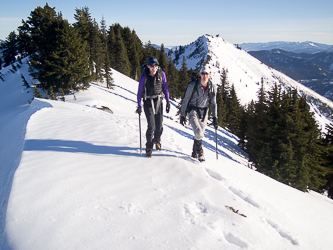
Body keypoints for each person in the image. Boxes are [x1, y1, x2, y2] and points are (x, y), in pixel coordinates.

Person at [180, 66, 218, 162]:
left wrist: (215, 117)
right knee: (199, 133)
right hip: (193, 110)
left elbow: (213, 103)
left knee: (199, 135)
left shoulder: (212, 87)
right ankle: (200, 152)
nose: (205, 76)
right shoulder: (193, 85)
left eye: (206, 74)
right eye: (203, 73)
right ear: (200, 74)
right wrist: (183, 114)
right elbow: (186, 99)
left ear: (209, 75)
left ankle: (194, 153)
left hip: (204, 112)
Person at [136, 57, 170, 157]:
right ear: (148, 66)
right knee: (151, 126)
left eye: (155, 65)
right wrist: (139, 105)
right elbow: (139, 92)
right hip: (148, 102)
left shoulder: (162, 74)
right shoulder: (144, 76)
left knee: (159, 126)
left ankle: (157, 140)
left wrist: (168, 101)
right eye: (151, 66)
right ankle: (149, 146)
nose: (154, 68)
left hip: (159, 101)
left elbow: (165, 88)